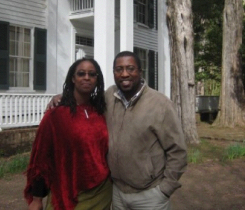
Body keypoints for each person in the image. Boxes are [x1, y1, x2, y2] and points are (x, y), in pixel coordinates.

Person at [48, 51, 187, 210]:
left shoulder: (160, 104)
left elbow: (177, 150)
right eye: (119, 69)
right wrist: (62, 97)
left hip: (150, 195)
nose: (124, 74)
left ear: (140, 72)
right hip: (117, 193)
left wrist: (166, 189)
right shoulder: (108, 97)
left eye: (130, 68)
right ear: (114, 72)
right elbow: (84, 100)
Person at [24, 58, 112, 210]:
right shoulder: (56, 115)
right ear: (73, 78)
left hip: (101, 192)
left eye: (92, 74)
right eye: (81, 73)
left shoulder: (101, 111)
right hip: (66, 192)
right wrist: (37, 199)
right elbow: (41, 159)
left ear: (97, 79)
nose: (86, 77)